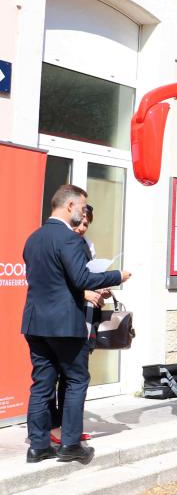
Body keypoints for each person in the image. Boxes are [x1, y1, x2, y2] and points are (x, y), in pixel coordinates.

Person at [21, 185, 129, 464]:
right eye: (82, 207)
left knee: (42, 383)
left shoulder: (33, 238)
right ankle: (70, 445)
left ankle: (38, 446)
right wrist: (118, 275)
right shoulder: (70, 240)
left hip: (35, 322)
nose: (84, 213)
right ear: (69, 206)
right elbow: (82, 279)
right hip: (65, 324)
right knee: (76, 380)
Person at [49, 205, 109, 445]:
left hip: (84, 317)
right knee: (60, 375)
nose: (82, 228)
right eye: (79, 224)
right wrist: (85, 292)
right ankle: (55, 428)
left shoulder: (87, 245)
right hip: (63, 317)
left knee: (72, 377)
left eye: (86, 224)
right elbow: (61, 281)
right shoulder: (61, 242)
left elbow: (86, 277)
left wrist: (98, 288)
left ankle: (67, 428)